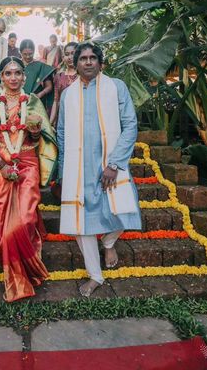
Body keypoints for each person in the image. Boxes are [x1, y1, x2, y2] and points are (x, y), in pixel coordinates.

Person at [57, 42, 141, 297]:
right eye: (83, 58)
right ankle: (95, 275)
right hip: (78, 167)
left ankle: (108, 242)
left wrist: (114, 164)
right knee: (82, 223)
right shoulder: (68, 94)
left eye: (93, 57)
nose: (88, 62)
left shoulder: (115, 87)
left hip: (111, 164)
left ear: (101, 63)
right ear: (75, 63)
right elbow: (61, 132)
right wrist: (64, 172)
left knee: (127, 207)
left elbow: (130, 125)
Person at [0, 57, 57, 302]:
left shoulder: (33, 102)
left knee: (26, 218)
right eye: (8, 73)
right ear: (1, 77)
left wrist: (36, 131)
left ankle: (24, 274)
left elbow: (43, 138)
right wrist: (0, 165)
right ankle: (15, 272)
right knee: (0, 220)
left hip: (28, 162)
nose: (13, 78)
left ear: (24, 76)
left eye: (17, 73)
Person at [20, 39, 55, 114]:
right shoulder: (16, 65)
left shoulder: (40, 66)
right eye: (25, 54)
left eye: (30, 53)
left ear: (34, 51)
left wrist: (38, 96)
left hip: (36, 103)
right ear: (20, 52)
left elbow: (49, 86)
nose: (28, 56)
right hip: (18, 101)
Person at [49, 41, 78, 125]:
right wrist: (50, 123)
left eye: (73, 53)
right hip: (63, 118)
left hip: (80, 117)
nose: (70, 57)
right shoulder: (59, 76)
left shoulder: (83, 76)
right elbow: (56, 101)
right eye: (67, 54)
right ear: (63, 57)